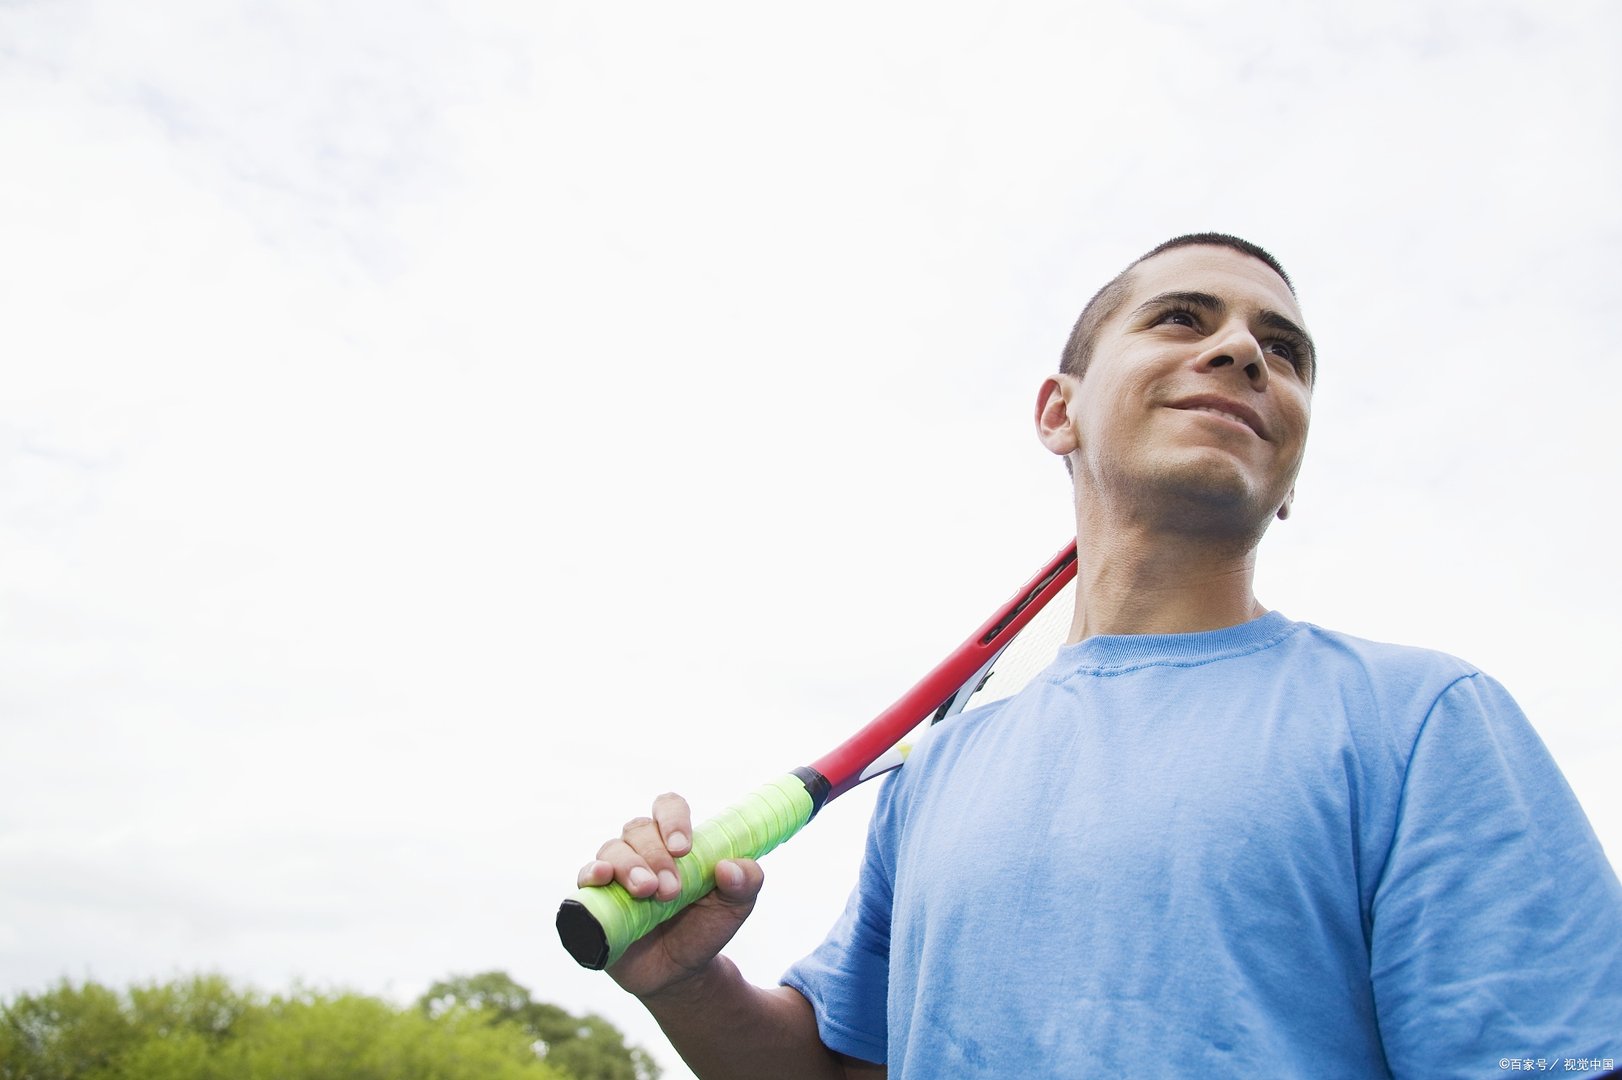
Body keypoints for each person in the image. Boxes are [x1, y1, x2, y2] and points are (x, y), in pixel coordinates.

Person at [575, 234, 1622, 1078]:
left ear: (1290, 471)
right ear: (1055, 410)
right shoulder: (934, 776)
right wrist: (684, 982)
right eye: (1181, 317)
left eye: (1283, 350)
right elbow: (846, 1070)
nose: (1244, 353)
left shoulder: (1424, 721)